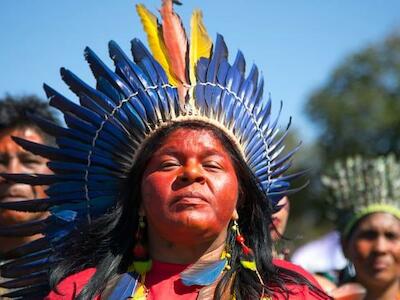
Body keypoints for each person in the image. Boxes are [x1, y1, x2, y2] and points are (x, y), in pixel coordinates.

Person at [0, 1, 330, 299]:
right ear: (138, 199)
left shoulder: (292, 292)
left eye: (212, 165)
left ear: (240, 201)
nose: (192, 173)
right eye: (169, 163)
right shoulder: (78, 293)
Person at [0, 95, 58, 296]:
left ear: (57, 171)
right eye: (1, 161)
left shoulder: (87, 266)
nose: (12, 172)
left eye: (28, 160)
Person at [322, 155, 400, 300]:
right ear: (345, 245)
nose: (380, 248)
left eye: (391, 236)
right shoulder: (315, 293)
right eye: (368, 235)